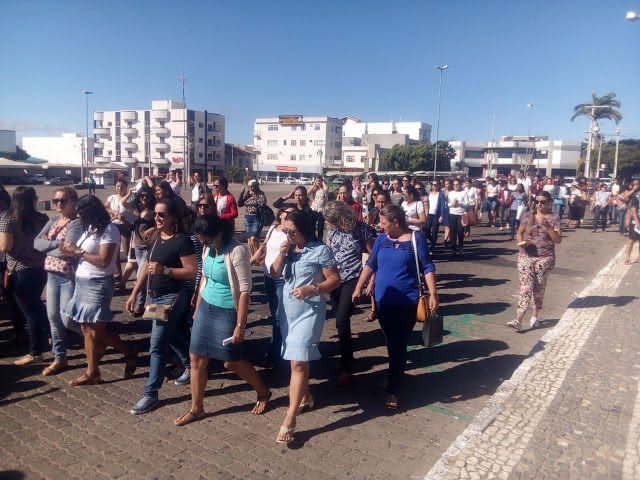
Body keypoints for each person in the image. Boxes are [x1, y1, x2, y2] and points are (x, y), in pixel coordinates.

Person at [173, 213, 271, 426]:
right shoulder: (209, 247)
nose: (202, 243)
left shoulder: (237, 250)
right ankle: (197, 408)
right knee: (196, 358)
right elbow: (205, 279)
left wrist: (240, 325)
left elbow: (245, 291)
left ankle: (263, 392)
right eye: (200, 238)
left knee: (231, 361)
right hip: (206, 307)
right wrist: (198, 308)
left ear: (218, 233)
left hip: (227, 311)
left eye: (205, 238)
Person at [352, 205, 438, 410]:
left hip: (407, 302)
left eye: (383, 223)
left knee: (398, 344)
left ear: (396, 222)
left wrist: (433, 293)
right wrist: (359, 286)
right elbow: (371, 264)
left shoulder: (416, 240)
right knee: (391, 343)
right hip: (383, 300)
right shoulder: (382, 240)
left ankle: (394, 388)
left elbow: (427, 266)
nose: (380, 227)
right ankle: (394, 375)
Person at [269, 211, 340, 443]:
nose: (287, 235)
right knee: (300, 358)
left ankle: (290, 419)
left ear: (305, 230)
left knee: (298, 362)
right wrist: (281, 254)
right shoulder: (288, 248)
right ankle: (306, 396)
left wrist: (313, 288)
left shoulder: (321, 250)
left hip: (310, 311)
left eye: (292, 232)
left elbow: (334, 280)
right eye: (285, 231)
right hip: (288, 311)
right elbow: (274, 274)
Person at [126, 197, 197, 414]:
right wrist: (135, 292)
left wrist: (165, 271)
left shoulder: (182, 240)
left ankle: (151, 393)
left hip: (172, 297)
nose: (156, 218)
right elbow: (148, 267)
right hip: (154, 296)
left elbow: (191, 271)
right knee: (170, 334)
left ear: (173, 217)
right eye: (155, 214)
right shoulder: (156, 236)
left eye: (161, 215)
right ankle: (191, 364)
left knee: (156, 345)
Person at [61, 195, 137, 385]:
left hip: (98, 283)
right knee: (86, 327)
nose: (79, 218)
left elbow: (104, 261)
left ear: (91, 213)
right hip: (83, 280)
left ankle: (124, 352)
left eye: (82, 214)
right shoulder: (91, 228)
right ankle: (94, 370)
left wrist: (77, 251)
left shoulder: (109, 230)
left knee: (95, 329)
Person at [324, 201, 374, 385]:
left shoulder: (361, 229)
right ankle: (348, 357)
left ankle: (347, 365)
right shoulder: (332, 230)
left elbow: (373, 255)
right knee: (340, 321)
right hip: (334, 279)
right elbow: (328, 251)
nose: (331, 224)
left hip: (353, 279)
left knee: (341, 319)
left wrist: (369, 280)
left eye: (334, 220)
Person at [35, 187, 84, 375]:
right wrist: (55, 244)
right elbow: (35, 243)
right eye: (56, 201)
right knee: (53, 318)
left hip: (67, 275)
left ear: (73, 202)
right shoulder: (53, 220)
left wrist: (49, 245)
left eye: (63, 200)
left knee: (67, 319)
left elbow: (68, 252)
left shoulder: (76, 224)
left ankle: (97, 338)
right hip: (51, 274)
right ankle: (59, 357)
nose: (59, 204)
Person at [0, 186, 49, 365]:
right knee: (36, 306)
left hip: (20, 270)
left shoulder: (8, 218)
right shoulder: (42, 218)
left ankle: (35, 351)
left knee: (29, 312)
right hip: (39, 268)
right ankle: (51, 334)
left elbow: (5, 246)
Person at [507, 191, 561, 331]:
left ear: (549, 203)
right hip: (526, 255)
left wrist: (548, 226)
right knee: (526, 287)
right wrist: (521, 242)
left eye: (542, 202)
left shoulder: (554, 218)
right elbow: (519, 232)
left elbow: (558, 240)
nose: (539, 205)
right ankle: (518, 319)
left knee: (538, 288)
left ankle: (535, 316)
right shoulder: (528, 215)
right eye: (537, 201)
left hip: (545, 257)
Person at [250, 207, 294, 366]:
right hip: (267, 276)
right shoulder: (274, 229)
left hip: (282, 279)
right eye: (286, 213)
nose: (288, 216)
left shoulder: (291, 234)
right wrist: (251, 260)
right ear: (281, 214)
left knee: (277, 315)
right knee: (274, 312)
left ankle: (276, 351)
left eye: (292, 214)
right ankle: (280, 346)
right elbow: (264, 247)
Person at [130, 185, 156, 317]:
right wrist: (130, 193)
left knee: (141, 277)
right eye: (141, 195)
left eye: (146, 195)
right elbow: (124, 203)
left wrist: (153, 228)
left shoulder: (153, 211)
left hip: (147, 247)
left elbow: (161, 223)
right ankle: (145, 303)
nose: (144, 197)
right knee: (142, 277)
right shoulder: (137, 210)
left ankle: (139, 305)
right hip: (137, 247)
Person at [237, 179, 267, 256]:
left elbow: (262, 203)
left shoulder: (261, 194)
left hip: (256, 218)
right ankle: (252, 256)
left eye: (253, 186)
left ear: (257, 186)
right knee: (249, 239)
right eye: (250, 187)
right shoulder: (247, 194)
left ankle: (258, 256)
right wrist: (242, 193)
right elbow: (240, 204)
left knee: (254, 239)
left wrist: (253, 197)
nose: (251, 188)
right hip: (247, 218)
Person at [447, 180, 469, 255]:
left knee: (460, 232)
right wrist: (452, 204)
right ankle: (453, 248)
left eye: (457, 184)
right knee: (452, 232)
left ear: (460, 185)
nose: (455, 186)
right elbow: (448, 204)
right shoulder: (450, 193)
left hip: (461, 214)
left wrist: (459, 203)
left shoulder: (464, 193)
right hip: (452, 213)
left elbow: (467, 204)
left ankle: (461, 246)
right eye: (454, 184)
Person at [623, 180, 640, 265]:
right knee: (631, 239)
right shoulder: (632, 194)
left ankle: (639, 257)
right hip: (634, 218)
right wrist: (633, 190)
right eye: (634, 184)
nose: (635, 185)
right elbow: (624, 198)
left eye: (637, 184)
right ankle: (627, 257)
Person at [426, 181, 445, 249]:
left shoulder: (441, 194)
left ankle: (432, 247)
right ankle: (433, 242)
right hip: (429, 214)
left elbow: (443, 206)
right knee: (426, 230)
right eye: (432, 184)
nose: (434, 186)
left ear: (438, 185)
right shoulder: (429, 194)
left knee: (434, 231)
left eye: (435, 184)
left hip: (436, 215)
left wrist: (442, 216)